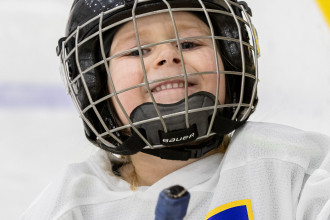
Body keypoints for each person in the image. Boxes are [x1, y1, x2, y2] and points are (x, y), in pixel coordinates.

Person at [21, 0, 330, 219]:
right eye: (138, 50)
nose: (167, 57)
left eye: (189, 44)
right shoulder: (72, 206)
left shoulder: (296, 169)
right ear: (96, 84)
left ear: (233, 65)